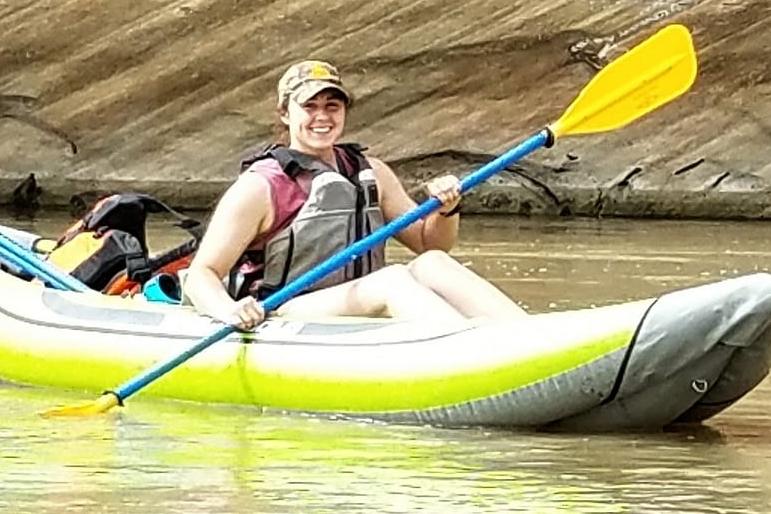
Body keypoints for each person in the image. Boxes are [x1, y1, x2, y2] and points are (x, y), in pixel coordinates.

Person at [182, 59, 529, 332]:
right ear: (286, 114)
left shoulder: (371, 171)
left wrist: (447, 210)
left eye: (332, 106)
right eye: (309, 106)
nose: (322, 116)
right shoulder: (261, 185)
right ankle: (471, 352)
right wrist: (230, 310)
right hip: (284, 309)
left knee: (431, 265)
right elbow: (202, 274)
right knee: (392, 280)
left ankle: (526, 335)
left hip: (353, 301)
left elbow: (429, 244)